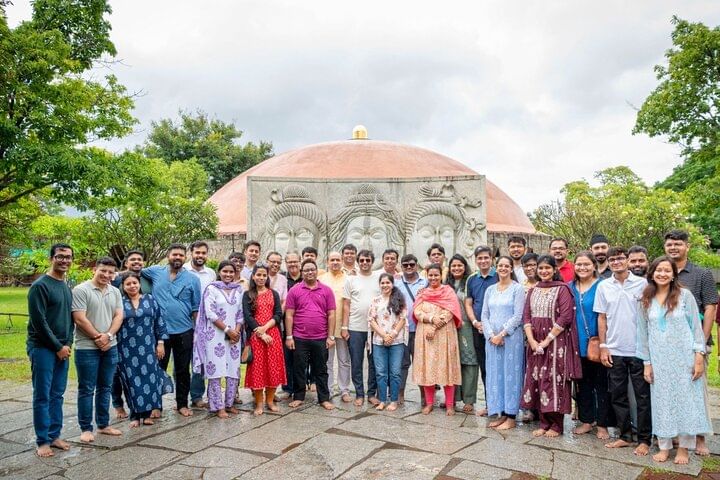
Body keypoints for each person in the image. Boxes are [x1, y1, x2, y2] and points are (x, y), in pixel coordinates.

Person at [637, 256, 711, 465]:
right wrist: (647, 363)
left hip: (683, 358)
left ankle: (684, 448)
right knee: (662, 401)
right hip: (659, 360)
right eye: (658, 270)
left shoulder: (684, 295)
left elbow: (696, 328)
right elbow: (642, 334)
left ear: (673, 275)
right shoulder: (645, 299)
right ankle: (664, 446)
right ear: (652, 273)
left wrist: (699, 356)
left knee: (686, 400)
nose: (662, 274)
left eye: (667, 270)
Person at [595, 246, 651, 455]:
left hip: (637, 349)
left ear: (627, 260)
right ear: (608, 263)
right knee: (618, 395)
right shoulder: (604, 286)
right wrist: (603, 346)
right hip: (614, 348)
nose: (616, 262)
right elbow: (602, 317)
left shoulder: (642, 284)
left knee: (642, 396)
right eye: (612, 260)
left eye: (620, 258)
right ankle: (625, 436)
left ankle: (644, 439)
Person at [520, 255, 581, 437]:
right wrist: (532, 341)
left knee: (554, 380)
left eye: (548, 268)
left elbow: (565, 317)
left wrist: (546, 341)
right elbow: (526, 316)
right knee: (537, 380)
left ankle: (556, 425)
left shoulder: (562, 289)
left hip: (556, 343)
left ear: (554, 270)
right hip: (535, 344)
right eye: (541, 268)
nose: (544, 271)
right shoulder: (533, 290)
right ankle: (543, 422)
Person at [142, 243, 201, 417]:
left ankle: (182, 404)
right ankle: (155, 405)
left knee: (182, 370)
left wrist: (197, 332)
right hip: (159, 332)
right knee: (157, 369)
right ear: (168, 256)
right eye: (175, 254)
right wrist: (116, 274)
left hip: (184, 330)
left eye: (181, 255)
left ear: (185, 257)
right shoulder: (155, 272)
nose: (178, 257)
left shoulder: (192, 279)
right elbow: (135, 270)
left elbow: (196, 308)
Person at [27, 243, 74, 457]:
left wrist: (67, 344)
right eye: (60, 256)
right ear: (51, 258)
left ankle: (54, 435)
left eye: (68, 257)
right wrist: (57, 347)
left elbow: (69, 319)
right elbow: (39, 322)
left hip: (62, 348)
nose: (64, 260)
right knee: (42, 395)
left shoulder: (65, 285)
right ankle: (42, 440)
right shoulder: (40, 286)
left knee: (57, 394)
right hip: (43, 348)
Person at [72, 257, 124, 443]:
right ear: (95, 269)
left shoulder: (115, 291)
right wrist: (97, 337)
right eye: (103, 270)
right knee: (87, 388)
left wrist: (108, 336)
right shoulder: (81, 290)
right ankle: (86, 428)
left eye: (110, 272)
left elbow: (118, 316)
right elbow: (80, 318)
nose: (106, 275)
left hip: (110, 346)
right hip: (86, 347)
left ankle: (103, 425)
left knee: (105, 386)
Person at [192, 261, 243, 418]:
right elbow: (210, 313)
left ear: (235, 273)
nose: (228, 274)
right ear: (219, 272)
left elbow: (241, 313)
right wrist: (228, 330)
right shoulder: (211, 289)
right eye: (225, 271)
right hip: (215, 336)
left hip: (235, 336)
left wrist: (236, 332)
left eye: (231, 272)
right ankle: (217, 406)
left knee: (233, 370)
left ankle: (229, 404)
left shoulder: (238, 289)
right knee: (215, 370)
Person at [117, 272, 168, 427]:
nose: (132, 286)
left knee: (150, 379)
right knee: (130, 381)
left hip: (148, 347)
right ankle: (134, 415)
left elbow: (159, 321)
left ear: (139, 284)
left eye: (134, 283)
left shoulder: (150, 299)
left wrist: (160, 343)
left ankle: (146, 415)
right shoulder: (119, 302)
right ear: (123, 286)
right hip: (126, 349)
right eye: (128, 284)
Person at [569, 251, 611, 439]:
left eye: (586, 264)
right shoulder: (570, 287)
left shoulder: (603, 285)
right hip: (576, 343)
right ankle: (587, 421)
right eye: (579, 264)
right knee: (583, 384)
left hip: (598, 342)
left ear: (594, 265)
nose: (582, 268)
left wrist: (606, 342)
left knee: (602, 385)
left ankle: (602, 424)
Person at [284, 259, 336, 410]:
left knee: (321, 369)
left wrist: (331, 336)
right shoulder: (294, 290)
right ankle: (298, 396)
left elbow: (331, 314)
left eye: (312, 269)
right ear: (302, 272)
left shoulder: (326, 290)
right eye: (306, 270)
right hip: (299, 337)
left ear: (317, 271)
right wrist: (289, 337)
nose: (310, 272)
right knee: (299, 368)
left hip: (320, 337)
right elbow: (289, 315)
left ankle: (324, 398)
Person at [482, 256, 525, 430]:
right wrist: (491, 335)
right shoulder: (490, 290)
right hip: (492, 341)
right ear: (496, 267)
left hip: (511, 339)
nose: (503, 268)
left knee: (511, 375)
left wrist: (502, 334)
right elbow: (484, 315)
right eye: (500, 265)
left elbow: (518, 315)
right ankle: (500, 413)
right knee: (495, 375)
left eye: (507, 266)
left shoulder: (517, 289)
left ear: (511, 269)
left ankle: (511, 416)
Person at [413, 264, 462, 416]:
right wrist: (430, 318)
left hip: (445, 333)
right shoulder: (423, 293)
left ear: (441, 275)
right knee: (428, 367)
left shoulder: (448, 291)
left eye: (436, 275)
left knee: (447, 367)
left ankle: (449, 405)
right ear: (427, 276)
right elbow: (416, 311)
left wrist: (435, 325)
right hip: (425, 335)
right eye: (430, 275)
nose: (433, 278)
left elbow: (451, 311)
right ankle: (429, 403)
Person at [111, 249, 152, 419]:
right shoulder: (116, 280)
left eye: (139, 259)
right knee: (117, 374)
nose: (136, 262)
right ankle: (118, 405)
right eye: (132, 259)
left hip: (143, 335)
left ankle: (144, 407)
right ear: (126, 263)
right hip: (120, 333)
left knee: (142, 373)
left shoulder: (148, 279)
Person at [243, 263, 286, 415]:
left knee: (273, 368)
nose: (261, 278)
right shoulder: (248, 295)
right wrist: (261, 333)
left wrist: (266, 328)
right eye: (258, 275)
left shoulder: (273, 293)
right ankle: (259, 403)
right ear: (253, 276)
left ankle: (270, 401)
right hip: (256, 337)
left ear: (267, 277)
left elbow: (278, 314)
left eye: (264, 275)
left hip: (273, 335)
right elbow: (248, 316)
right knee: (258, 369)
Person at [342, 249, 381, 406]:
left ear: (372, 262)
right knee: (356, 362)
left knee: (374, 362)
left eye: (368, 260)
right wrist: (344, 327)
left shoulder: (378, 278)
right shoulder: (351, 280)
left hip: (375, 328)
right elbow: (346, 304)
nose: (365, 263)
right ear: (358, 262)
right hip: (355, 327)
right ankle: (359, 394)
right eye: (362, 260)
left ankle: (371, 393)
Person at [464, 245, 497, 416]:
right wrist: (475, 322)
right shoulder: (472, 279)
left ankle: (502, 405)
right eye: (480, 258)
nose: (483, 261)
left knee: (498, 367)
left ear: (491, 259)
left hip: (497, 331)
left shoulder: (499, 275)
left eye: (486, 257)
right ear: (475, 260)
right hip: (478, 329)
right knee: (484, 367)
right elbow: (469, 303)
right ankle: (490, 404)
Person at [368, 273, 407, 411]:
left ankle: (394, 400)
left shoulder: (399, 299)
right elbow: (371, 320)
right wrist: (384, 336)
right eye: (382, 283)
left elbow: (403, 319)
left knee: (395, 372)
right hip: (379, 341)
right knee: (380, 372)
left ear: (392, 284)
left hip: (397, 341)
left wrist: (392, 335)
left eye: (387, 282)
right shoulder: (375, 300)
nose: (385, 285)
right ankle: (382, 400)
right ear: (379, 285)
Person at [185, 241, 216, 409]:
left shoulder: (211, 273)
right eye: (197, 252)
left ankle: (197, 396)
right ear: (191, 253)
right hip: (185, 321)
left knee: (201, 359)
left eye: (203, 253)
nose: (200, 256)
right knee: (183, 361)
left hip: (205, 322)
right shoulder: (183, 270)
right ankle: (181, 398)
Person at [445, 254, 478, 414]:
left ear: (465, 267)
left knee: (469, 361)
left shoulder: (470, 283)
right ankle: (452, 397)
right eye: (454, 266)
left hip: (467, 326)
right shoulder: (446, 285)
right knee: (452, 361)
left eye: (460, 265)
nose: (457, 268)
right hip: (449, 326)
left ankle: (469, 399)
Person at [319, 252, 352, 402]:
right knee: (327, 361)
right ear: (327, 262)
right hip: (325, 327)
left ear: (342, 261)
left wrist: (345, 326)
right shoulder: (321, 279)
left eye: (338, 260)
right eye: (332, 260)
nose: (335, 262)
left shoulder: (349, 279)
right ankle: (329, 390)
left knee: (344, 360)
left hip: (343, 326)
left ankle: (344, 390)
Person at [396, 254, 428, 405]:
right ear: (401, 266)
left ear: (417, 265)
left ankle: (424, 395)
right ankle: (400, 393)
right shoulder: (397, 283)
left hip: (421, 329)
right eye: (405, 265)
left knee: (421, 363)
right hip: (403, 330)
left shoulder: (425, 282)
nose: (409, 267)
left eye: (412, 264)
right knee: (402, 364)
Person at [280, 251, 303, 396]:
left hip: (302, 323)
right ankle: (288, 388)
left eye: (295, 261)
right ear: (286, 263)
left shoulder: (306, 277)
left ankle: (301, 387)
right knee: (286, 358)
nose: (293, 264)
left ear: (300, 262)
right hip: (285, 324)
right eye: (290, 262)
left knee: (301, 358)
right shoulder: (282, 280)